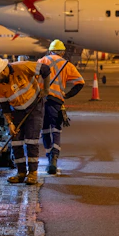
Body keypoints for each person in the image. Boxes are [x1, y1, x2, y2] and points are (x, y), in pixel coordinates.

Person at [0, 56, 51, 185]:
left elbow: (46, 69)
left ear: (3, 70)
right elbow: (4, 107)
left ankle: (32, 173)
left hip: (34, 107)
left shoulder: (22, 67)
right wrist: (10, 124)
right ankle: (21, 173)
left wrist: (46, 89)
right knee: (16, 142)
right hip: (17, 111)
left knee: (31, 141)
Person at [38, 39, 85, 174]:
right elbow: (80, 82)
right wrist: (67, 95)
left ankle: (48, 157)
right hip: (57, 101)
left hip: (42, 100)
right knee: (56, 129)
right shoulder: (67, 65)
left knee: (45, 129)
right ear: (63, 53)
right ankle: (55, 158)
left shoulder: (42, 61)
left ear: (50, 51)